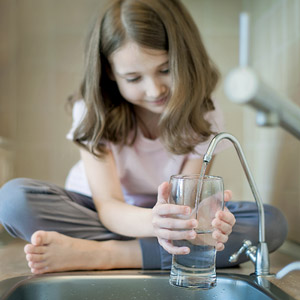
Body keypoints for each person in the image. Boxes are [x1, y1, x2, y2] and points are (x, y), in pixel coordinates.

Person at [0, 0, 287, 275]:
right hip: (100, 214)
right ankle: (144, 252)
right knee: (13, 201)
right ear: (110, 73)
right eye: (134, 78)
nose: (154, 90)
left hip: (165, 222)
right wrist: (158, 223)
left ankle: (101, 254)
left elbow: (190, 204)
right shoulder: (92, 109)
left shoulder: (203, 114)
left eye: (165, 70)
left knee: (268, 224)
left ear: (185, 59)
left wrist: (205, 223)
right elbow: (108, 206)